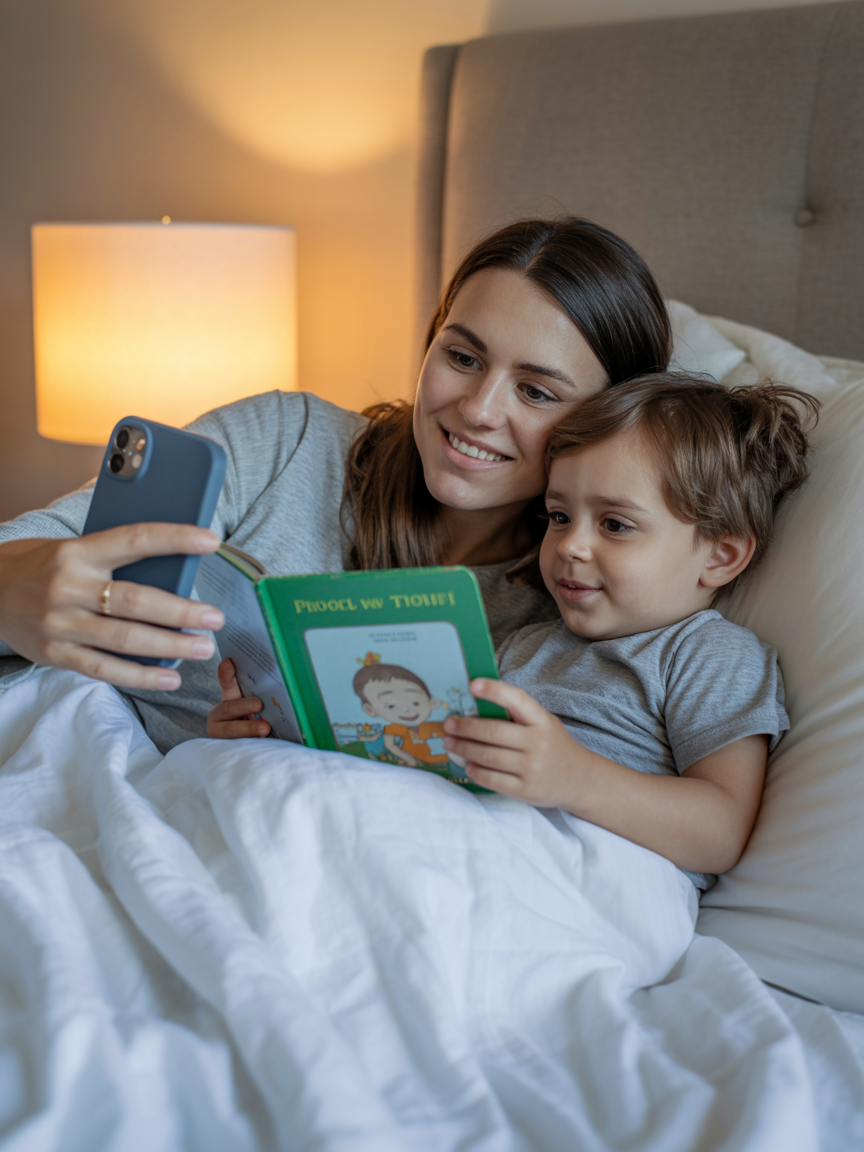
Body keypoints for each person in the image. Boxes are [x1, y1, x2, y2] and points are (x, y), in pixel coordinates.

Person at [0, 218, 671, 752]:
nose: (477, 409)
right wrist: (17, 589)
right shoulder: (290, 439)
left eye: (535, 390)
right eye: (461, 357)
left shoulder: (592, 592)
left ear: (610, 418)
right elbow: (38, 547)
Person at [439, 374, 818, 888]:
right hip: (480, 841)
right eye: (559, 515)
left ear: (719, 556)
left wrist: (574, 778)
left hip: (599, 875)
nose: (570, 546)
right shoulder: (528, 641)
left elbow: (721, 830)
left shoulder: (708, 653)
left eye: (615, 524)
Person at [352, 662, 448, 769]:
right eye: (391, 706)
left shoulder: (441, 724)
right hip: (419, 763)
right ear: (370, 710)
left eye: (415, 702)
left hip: (445, 760)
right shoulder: (394, 728)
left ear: (433, 702)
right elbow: (390, 746)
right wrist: (410, 760)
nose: (406, 709)